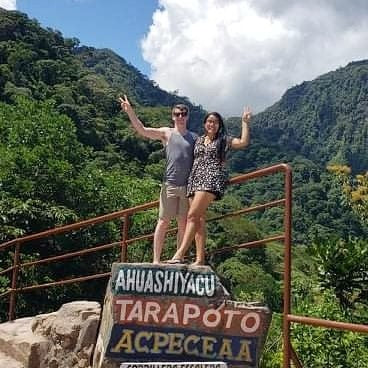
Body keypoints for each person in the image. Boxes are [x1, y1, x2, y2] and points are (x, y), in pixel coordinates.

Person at [167, 107, 252, 266]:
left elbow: (243, 142)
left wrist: (245, 123)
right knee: (198, 219)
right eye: (209, 121)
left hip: (211, 180)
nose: (212, 124)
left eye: (215, 122)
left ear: (219, 125)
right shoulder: (198, 140)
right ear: (205, 124)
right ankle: (200, 259)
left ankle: (179, 254)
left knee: (191, 216)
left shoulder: (223, 140)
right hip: (194, 180)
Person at [119, 95, 198, 264]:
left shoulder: (194, 138)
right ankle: (156, 260)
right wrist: (130, 111)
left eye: (184, 113)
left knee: (183, 224)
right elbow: (143, 130)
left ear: (188, 116)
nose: (181, 117)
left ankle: (178, 257)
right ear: (173, 116)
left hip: (187, 187)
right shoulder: (166, 133)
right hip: (169, 184)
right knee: (163, 222)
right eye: (177, 114)